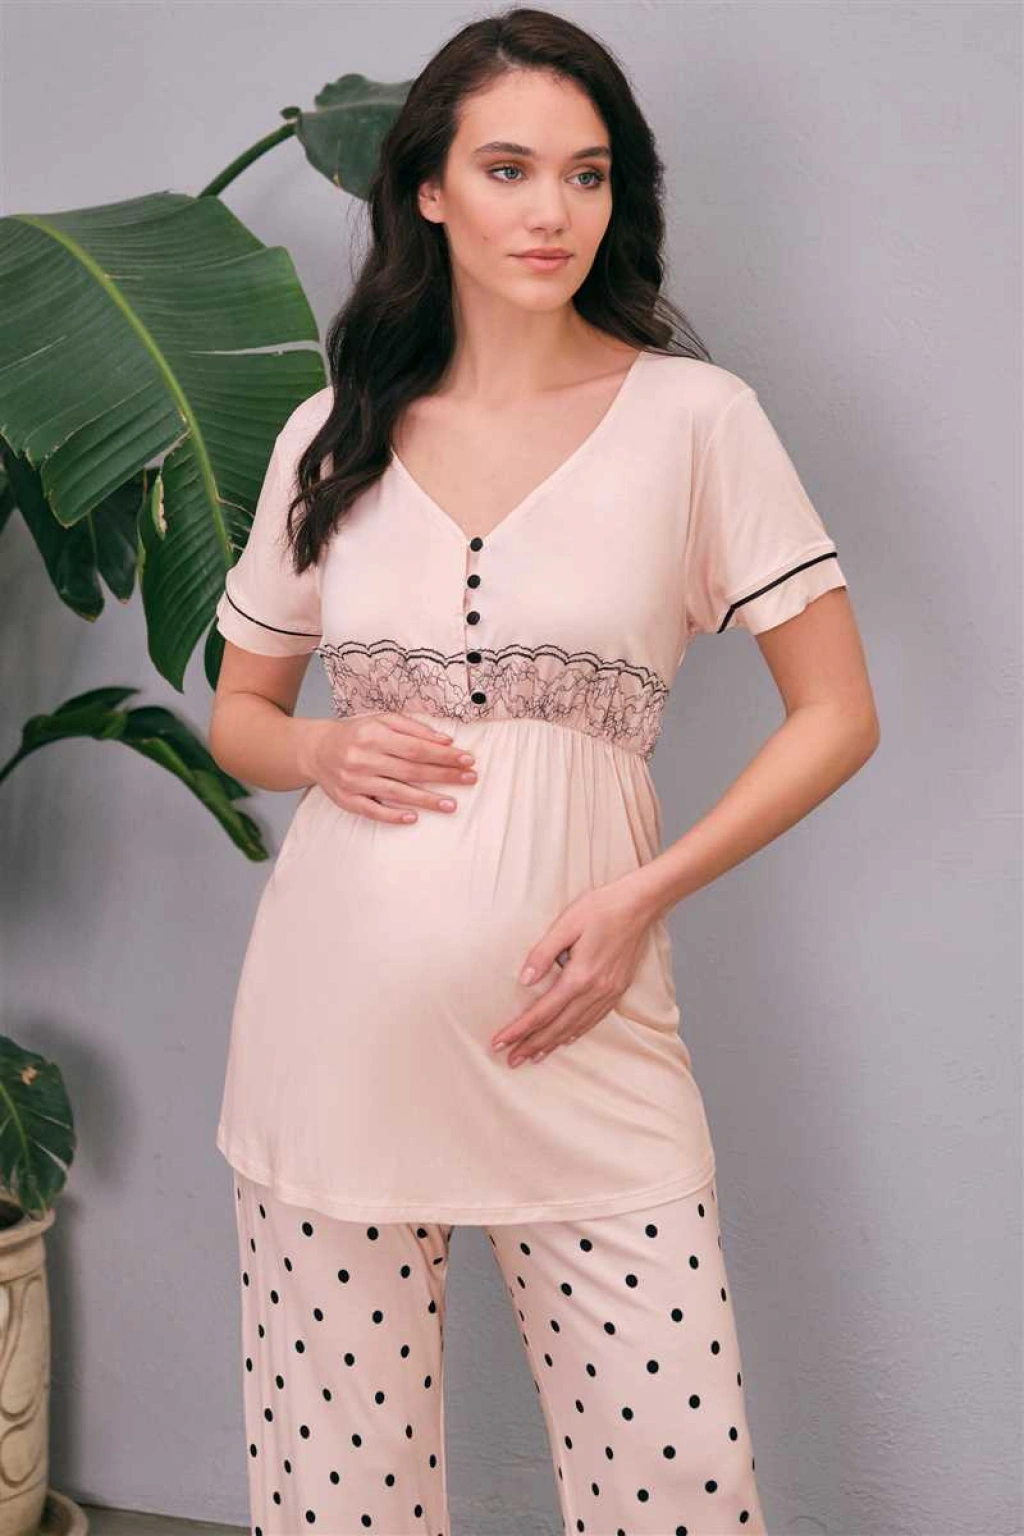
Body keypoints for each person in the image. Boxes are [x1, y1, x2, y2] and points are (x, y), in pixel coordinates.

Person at [208, 9, 879, 1534]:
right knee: (337, 1499)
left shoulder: (696, 421)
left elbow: (838, 712)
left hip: (585, 1030)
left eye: (587, 174)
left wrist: (641, 897)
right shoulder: (334, 435)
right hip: (329, 1038)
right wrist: (316, 744)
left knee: (675, 1483)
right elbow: (240, 714)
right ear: (428, 189)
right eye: (508, 169)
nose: (551, 211)